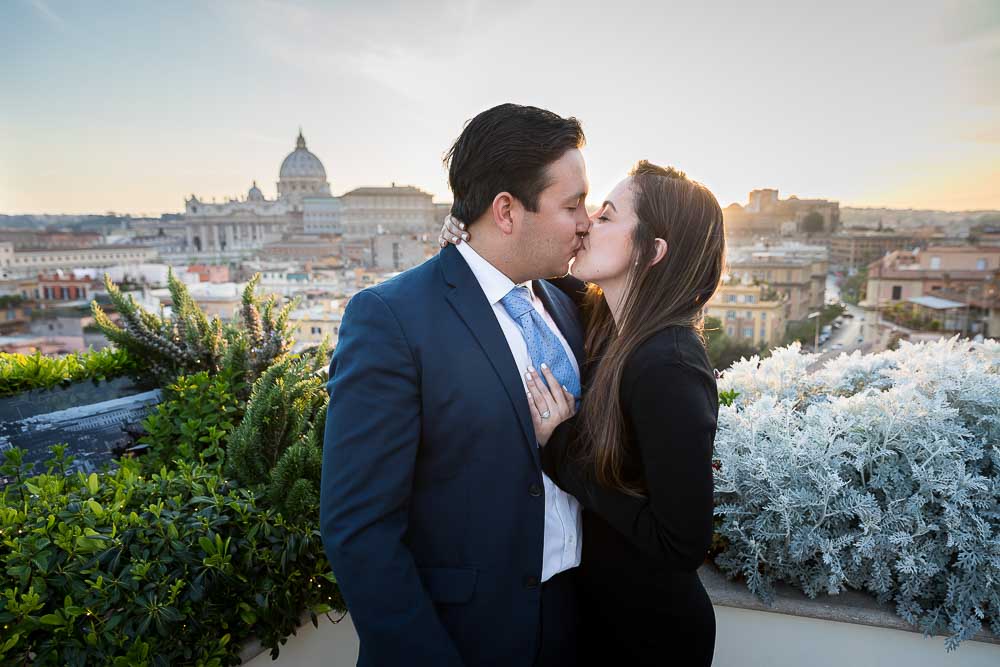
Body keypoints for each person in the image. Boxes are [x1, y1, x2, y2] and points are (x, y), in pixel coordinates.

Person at [320, 103, 592, 667]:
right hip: (464, 637)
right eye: (573, 205)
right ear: (507, 211)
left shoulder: (567, 305)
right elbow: (359, 528)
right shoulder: (391, 318)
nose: (586, 221)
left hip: (577, 622)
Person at [440, 160, 725, 666]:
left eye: (608, 217)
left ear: (652, 252)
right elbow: (534, 279)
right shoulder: (608, 321)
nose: (587, 223)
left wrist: (562, 449)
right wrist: (476, 242)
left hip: (650, 639)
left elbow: (682, 543)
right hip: (598, 619)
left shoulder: (669, 366)